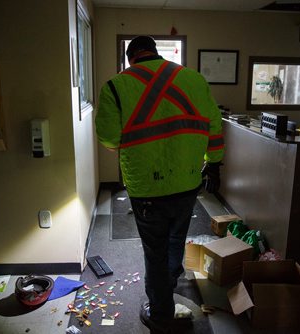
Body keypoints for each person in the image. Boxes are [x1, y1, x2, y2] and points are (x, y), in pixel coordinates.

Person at [95, 35, 224, 333]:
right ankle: (169, 288)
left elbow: (109, 138)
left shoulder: (116, 86)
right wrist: (214, 162)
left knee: (155, 250)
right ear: (155, 53)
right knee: (176, 241)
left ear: (131, 59)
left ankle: (160, 313)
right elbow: (213, 126)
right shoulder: (193, 79)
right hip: (188, 181)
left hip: (146, 188)